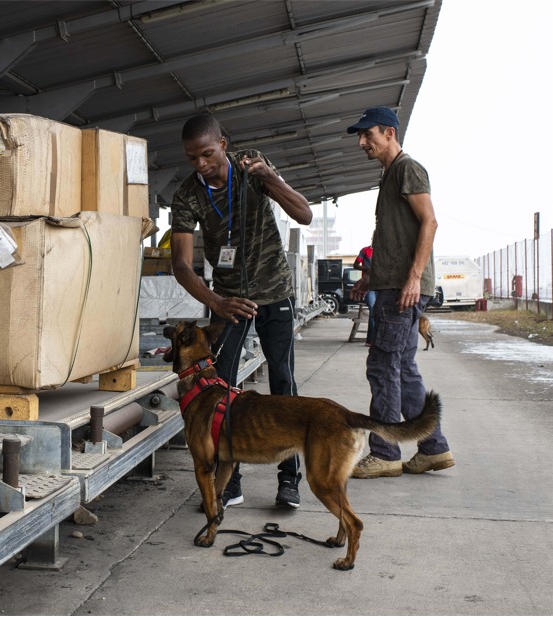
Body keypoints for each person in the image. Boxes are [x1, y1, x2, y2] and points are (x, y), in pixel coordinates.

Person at [169, 114, 313, 508]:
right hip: (229, 302)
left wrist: (270, 179)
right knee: (221, 389)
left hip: (275, 293)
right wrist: (216, 302)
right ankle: (229, 483)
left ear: (224, 145)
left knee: (283, 385)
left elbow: (304, 215)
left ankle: (290, 479)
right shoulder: (186, 195)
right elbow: (181, 265)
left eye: (208, 154)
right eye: (192, 157)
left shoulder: (253, 166)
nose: (201, 164)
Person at [346, 106, 454, 478]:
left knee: (383, 366)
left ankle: (386, 451)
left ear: (389, 133)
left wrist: (413, 278)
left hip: (402, 290)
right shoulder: (390, 175)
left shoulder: (408, 168)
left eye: (368, 135)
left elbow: (430, 221)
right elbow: (392, 237)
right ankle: (433, 448)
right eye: (360, 137)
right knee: (403, 367)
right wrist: (370, 276)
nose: (363, 143)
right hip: (391, 285)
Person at [353, 245, 376, 346]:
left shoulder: (385, 249)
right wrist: (367, 269)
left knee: (381, 311)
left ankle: (378, 339)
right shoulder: (365, 250)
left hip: (383, 286)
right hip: (368, 286)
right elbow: (356, 265)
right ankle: (370, 340)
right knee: (373, 310)